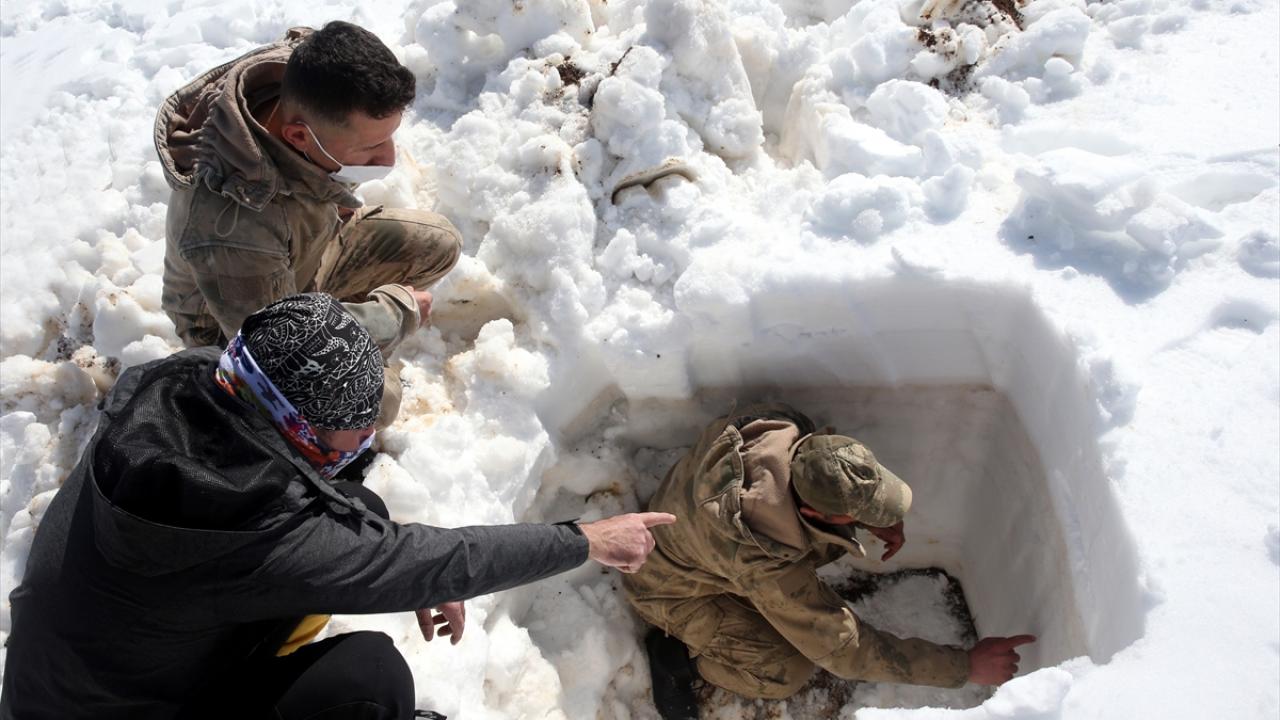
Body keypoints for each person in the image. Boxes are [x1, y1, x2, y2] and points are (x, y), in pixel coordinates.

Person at [0, 294, 675, 720]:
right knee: (369, 679)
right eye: (353, 436)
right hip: (122, 705)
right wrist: (588, 538)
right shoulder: (253, 538)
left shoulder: (185, 389)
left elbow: (342, 522)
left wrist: (402, 565)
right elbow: (419, 554)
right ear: (298, 427)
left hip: (91, 665)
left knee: (353, 500)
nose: (366, 442)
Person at [622, 403, 1035, 719]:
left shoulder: (776, 426)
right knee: (786, 669)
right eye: (851, 516)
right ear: (815, 513)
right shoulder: (763, 558)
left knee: (805, 581)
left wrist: (874, 516)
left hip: (688, 532)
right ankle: (676, 659)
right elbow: (845, 650)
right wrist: (964, 666)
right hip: (668, 587)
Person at [156, 20, 460, 428]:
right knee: (375, 403)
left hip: (305, 253)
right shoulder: (232, 228)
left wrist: (328, 202)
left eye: (390, 138)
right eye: (370, 148)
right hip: (238, 327)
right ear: (299, 137)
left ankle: (342, 331)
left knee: (437, 244)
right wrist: (392, 314)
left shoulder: (304, 79)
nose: (389, 159)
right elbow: (273, 346)